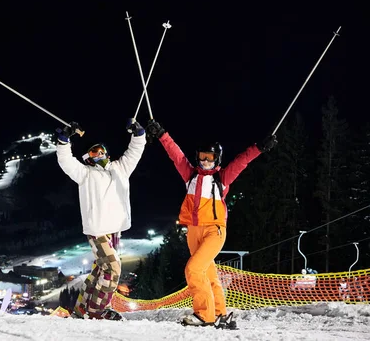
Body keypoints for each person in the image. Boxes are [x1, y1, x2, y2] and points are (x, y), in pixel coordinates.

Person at [145, 119, 277, 328]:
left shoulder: (221, 179)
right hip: (194, 231)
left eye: (210, 158)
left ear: (217, 159)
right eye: (202, 157)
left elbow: (241, 162)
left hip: (214, 231)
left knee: (194, 269)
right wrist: (162, 134)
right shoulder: (190, 176)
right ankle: (219, 313)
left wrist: (259, 148)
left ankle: (204, 315)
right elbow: (175, 154)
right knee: (208, 273)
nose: (205, 161)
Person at [55, 119, 146, 320]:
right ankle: (96, 311)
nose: (99, 154)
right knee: (113, 268)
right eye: (94, 152)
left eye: (101, 150)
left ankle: (81, 308)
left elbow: (134, 152)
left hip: (114, 229)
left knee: (100, 269)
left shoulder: (120, 168)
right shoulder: (86, 174)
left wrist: (138, 134)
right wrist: (64, 141)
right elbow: (66, 162)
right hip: (97, 231)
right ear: (88, 158)